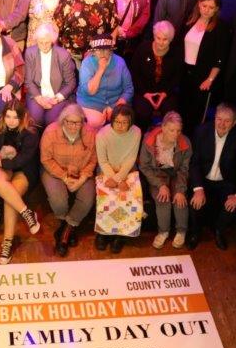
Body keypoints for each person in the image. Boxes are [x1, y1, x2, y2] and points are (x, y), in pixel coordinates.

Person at [188, 104, 236, 250]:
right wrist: (198, 189)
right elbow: (194, 163)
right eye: (219, 119)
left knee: (232, 207)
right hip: (203, 180)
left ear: (234, 123)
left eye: (227, 121)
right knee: (194, 204)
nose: (222, 124)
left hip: (226, 182)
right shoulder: (201, 131)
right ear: (214, 118)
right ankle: (195, 232)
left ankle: (219, 231)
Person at [40, 104, 98, 257]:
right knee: (58, 201)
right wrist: (64, 177)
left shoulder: (91, 134)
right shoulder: (50, 132)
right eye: (69, 122)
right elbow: (46, 160)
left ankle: (67, 228)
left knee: (87, 200)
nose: (73, 126)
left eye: (77, 123)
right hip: (55, 171)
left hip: (81, 172)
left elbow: (93, 160)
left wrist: (82, 178)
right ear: (62, 120)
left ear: (83, 122)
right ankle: (66, 227)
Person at [0, 99, 41, 264]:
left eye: (15, 117)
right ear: (3, 116)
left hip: (23, 169)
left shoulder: (31, 132)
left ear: (23, 117)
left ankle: (7, 242)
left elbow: (24, 159)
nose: (11, 121)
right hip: (3, 166)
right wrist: (0, 163)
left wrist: (3, 163)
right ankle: (27, 213)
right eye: (8, 116)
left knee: (11, 196)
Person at [138, 111, 193, 249]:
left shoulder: (185, 142)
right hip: (157, 174)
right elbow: (144, 166)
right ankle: (163, 232)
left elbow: (184, 169)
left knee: (180, 198)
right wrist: (160, 185)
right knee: (162, 198)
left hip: (176, 174)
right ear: (163, 127)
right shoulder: (149, 140)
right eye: (171, 130)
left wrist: (180, 189)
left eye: (179, 131)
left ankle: (181, 231)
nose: (176, 134)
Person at [94, 104, 143, 253]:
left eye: (124, 122)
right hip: (106, 170)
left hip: (127, 170)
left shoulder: (136, 132)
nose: (120, 126)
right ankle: (103, 233)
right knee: (106, 199)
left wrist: (119, 178)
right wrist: (117, 180)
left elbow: (131, 159)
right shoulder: (102, 135)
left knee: (127, 198)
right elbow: (103, 162)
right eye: (117, 122)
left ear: (130, 122)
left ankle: (120, 234)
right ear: (112, 120)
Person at [178, 0, 229, 129]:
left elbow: (220, 58)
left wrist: (210, 79)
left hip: (203, 77)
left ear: (216, 9)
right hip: (184, 73)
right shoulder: (190, 19)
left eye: (211, 7)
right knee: (180, 108)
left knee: (195, 113)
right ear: (199, 5)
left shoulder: (220, 28)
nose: (206, 10)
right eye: (204, 6)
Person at [53, 0, 118, 67]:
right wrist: (55, 49)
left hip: (96, 54)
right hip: (70, 53)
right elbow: (56, 23)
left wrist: (107, 48)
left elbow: (114, 26)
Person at [131, 21, 183, 129]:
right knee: (141, 111)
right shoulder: (143, 48)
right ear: (154, 36)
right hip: (144, 90)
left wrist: (165, 93)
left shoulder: (176, 52)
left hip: (166, 92)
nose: (161, 42)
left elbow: (177, 77)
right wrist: (145, 93)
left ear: (171, 39)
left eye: (165, 39)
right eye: (158, 38)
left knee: (171, 113)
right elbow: (135, 74)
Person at [77, 33, 134, 129]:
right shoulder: (87, 63)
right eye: (98, 50)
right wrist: (100, 70)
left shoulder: (120, 62)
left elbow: (129, 88)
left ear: (111, 50)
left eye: (106, 49)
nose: (102, 53)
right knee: (95, 122)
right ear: (93, 52)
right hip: (91, 101)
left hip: (115, 101)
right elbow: (89, 91)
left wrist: (117, 106)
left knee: (119, 121)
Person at [24, 23, 76, 128]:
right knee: (35, 118)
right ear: (37, 41)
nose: (44, 46)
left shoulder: (63, 55)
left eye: (47, 42)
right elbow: (29, 81)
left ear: (52, 40)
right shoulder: (30, 53)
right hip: (37, 93)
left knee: (51, 121)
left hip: (58, 93)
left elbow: (71, 83)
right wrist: (39, 98)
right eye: (40, 42)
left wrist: (56, 99)